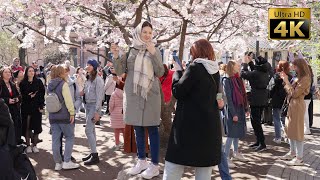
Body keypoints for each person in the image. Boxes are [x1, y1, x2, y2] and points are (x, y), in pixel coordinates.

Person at [163, 39, 223, 179]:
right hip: (209, 127)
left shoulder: (195, 67)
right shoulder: (215, 70)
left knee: (174, 165)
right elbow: (217, 92)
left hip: (188, 127)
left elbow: (178, 91)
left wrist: (178, 71)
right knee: (204, 169)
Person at [112, 21, 164, 179]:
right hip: (133, 94)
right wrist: (115, 56)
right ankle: (141, 160)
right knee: (138, 128)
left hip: (150, 93)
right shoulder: (131, 51)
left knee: (153, 129)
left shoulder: (155, 50)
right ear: (138, 33)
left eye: (150, 32)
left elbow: (160, 72)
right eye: (145, 32)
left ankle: (154, 165)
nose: (147, 35)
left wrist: (153, 53)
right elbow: (120, 71)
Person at [47, 65, 80, 170]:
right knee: (69, 137)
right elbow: (68, 101)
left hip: (53, 116)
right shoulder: (63, 84)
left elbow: (47, 101)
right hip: (64, 116)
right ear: (61, 73)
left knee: (55, 140)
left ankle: (58, 163)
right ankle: (67, 161)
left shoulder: (49, 85)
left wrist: (48, 115)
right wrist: (72, 113)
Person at [280, 58, 311, 166]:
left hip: (297, 105)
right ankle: (292, 152)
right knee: (290, 130)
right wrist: (287, 82)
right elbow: (290, 92)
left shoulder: (305, 78)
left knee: (297, 131)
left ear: (300, 66)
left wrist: (287, 81)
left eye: (295, 66)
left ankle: (299, 157)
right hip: (292, 105)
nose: (293, 68)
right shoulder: (298, 77)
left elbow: (295, 94)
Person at [241, 55, 271, 152]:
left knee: (256, 122)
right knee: (255, 121)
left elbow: (244, 74)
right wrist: (250, 62)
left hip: (256, 100)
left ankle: (262, 143)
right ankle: (259, 141)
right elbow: (255, 71)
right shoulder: (265, 71)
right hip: (262, 98)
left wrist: (245, 63)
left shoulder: (256, 73)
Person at [223, 60, 249, 168]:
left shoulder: (238, 79)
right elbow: (228, 98)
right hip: (232, 109)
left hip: (240, 108)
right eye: (237, 65)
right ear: (232, 67)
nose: (239, 66)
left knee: (237, 132)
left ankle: (236, 152)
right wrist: (233, 113)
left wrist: (246, 108)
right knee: (231, 134)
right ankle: (225, 157)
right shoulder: (227, 80)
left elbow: (243, 95)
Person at [80, 59, 104, 165]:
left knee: (88, 130)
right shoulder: (88, 78)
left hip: (94, 106)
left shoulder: (98, 80)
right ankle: (93, 152)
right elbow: (85, 91)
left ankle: (95, 155)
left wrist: (98, 112)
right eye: (87, 64)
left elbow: (100, 97)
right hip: (87, 105)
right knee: (92, 130)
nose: (87, 66)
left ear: (94, 67)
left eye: (90, 65)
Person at [19, 66, 45, 153]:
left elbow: (42, 94)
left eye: (33, 71)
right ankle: (28, 145)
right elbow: (21, 96)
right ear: (26, 73)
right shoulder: (23, 83)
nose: (32, 72)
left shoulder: (38, 82)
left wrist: (41, 105)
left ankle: (35, 144)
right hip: (26, 108)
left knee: (36, 126)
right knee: (27, 126)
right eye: (30, 71)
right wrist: (29, 96)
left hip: (36, 107)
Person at [59, 65, 82, 161]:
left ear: (68, 72)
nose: (63, 73)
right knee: (59, 136)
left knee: (69, 135)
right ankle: (59, 155)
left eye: (65, 71)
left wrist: (74, 107)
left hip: (70, 113)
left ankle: (67, 154)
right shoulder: (57, 83)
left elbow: (78, 98)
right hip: (59, 113)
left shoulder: (73, 83)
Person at [270, 61, 292, 144]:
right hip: (285, 100)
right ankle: (287, 137)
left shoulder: (276, 76)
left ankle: (278, 137)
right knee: (284, 119)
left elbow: (272, 87)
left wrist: (270, 96)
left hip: (276, 100)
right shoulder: (290, 77)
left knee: (276, 119)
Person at [0, 67, 23, 145]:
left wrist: (17, 99)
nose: (8, 74)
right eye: (5, 72)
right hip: (3, 112)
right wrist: (7, 100)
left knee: (15, 128)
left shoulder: (13, 84)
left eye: (9, 72)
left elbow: (19, 96)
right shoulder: (0, 85)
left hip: (14, 111)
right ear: (2, 74)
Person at [109, 75, 125, 150]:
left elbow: (111, 105)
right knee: (124, 130)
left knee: (116, 131)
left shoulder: (114, 94)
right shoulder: (125, 95)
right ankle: (126, 144)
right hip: (123, 114)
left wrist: (111, 111)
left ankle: (117, 145)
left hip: (115, 114)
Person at [303, 65, 313, 135]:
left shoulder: (306, 77)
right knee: (306, 112)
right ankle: (307, 128)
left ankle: (307, 129)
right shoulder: (310, 76)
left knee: (305, 112)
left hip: (305, 96)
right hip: (308, 96)